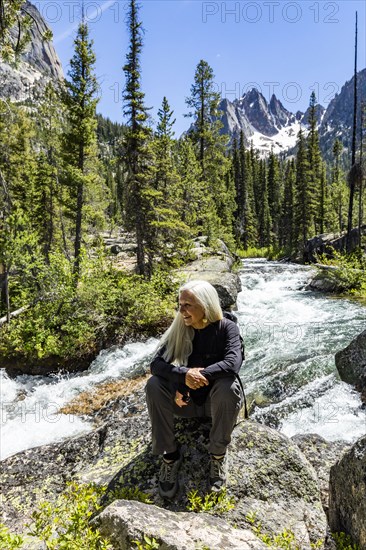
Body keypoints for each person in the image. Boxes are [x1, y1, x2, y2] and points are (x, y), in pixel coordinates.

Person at [145, 280, 244, 499]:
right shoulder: (180, 327)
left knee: (228, 385)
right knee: (153, 384)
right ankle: (170, 455)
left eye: (187, 305)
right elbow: (156, 365)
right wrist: (182, 378)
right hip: (185, 404)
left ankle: (217, 455)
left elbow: (233, 363)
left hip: (215, 406)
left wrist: (196, 376)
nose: (181, 310)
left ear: (205, 305)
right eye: (180, 304)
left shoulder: (227, 328)